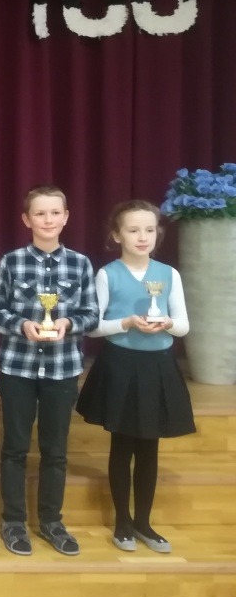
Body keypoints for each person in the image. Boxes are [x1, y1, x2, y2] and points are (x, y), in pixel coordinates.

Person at [77, 200, 195, 553]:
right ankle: (123, 523)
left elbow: (183, 326)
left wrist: (168, 323)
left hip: (158, 366)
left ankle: (144, 522)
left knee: (149, 447)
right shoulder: (107, 274)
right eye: (133, 230)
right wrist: (127, 323)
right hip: (120, 365)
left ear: (157, 234)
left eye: (149, 230)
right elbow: (94, 327)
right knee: (122, 445)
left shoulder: (169, 274)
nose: (142, 237)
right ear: (117, 235)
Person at [0, 185, 98, 556]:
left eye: (55, 213)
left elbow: (91, 314)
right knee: (15, 447)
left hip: (62, 369)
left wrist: (68, 323)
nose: (48, 219)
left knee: (55, 450)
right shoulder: (11, 261)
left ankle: (52, 521)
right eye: (40, 213)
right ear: (27, 219)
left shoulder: (81, 264)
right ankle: (14, 522)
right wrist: (22, 325)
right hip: (17, 368)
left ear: (66, 217)